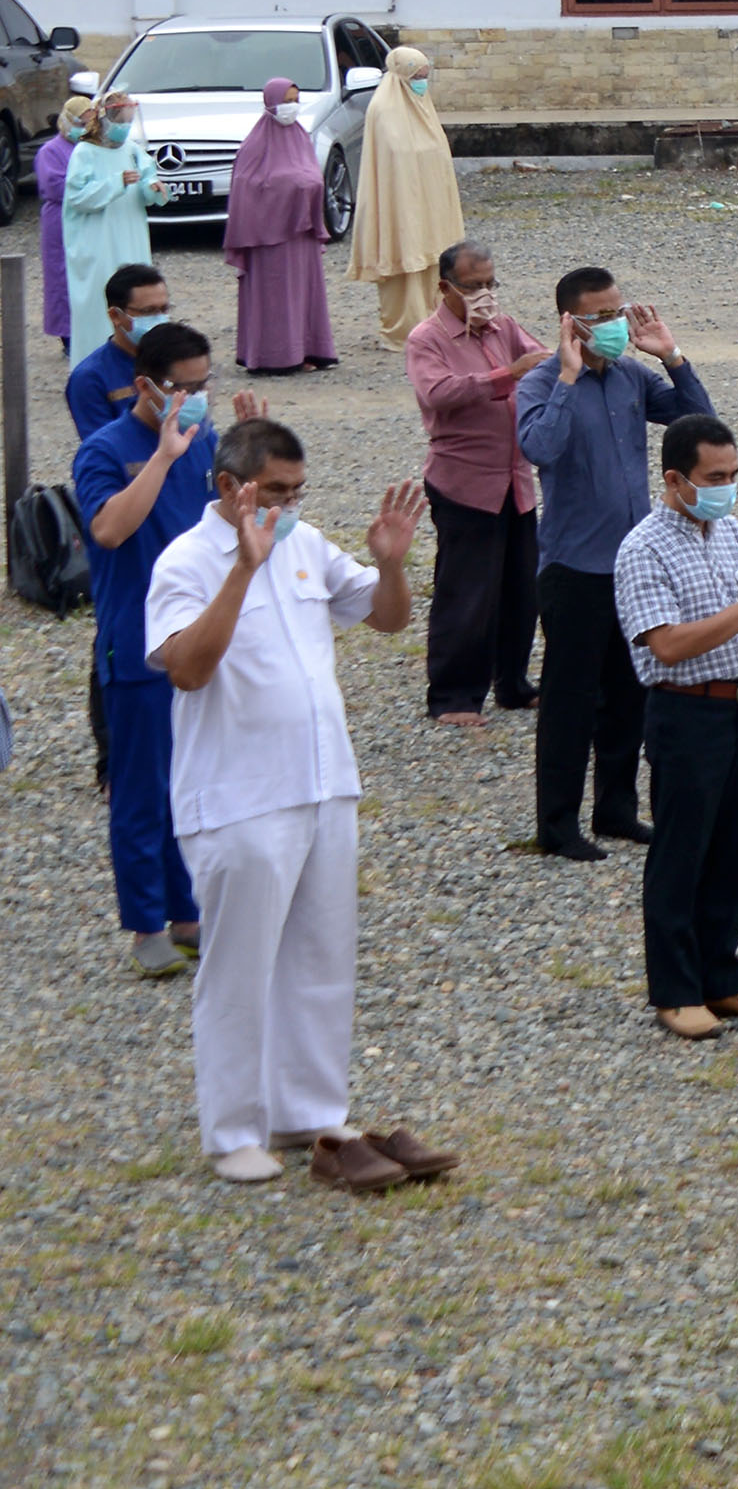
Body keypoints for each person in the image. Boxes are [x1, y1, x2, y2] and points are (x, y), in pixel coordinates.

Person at [147, 417, 444, 1187]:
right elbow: (185, 668)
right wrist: (243, 571)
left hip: (322, 783)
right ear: (228, 488)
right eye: (273, 492)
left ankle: (309, 1112)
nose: (287, 506)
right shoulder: (186, 561)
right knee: (240, 968)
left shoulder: (306, 546)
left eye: (296, 491)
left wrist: (392, 566)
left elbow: (385, 617)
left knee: (319, 956)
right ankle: (232, 1129)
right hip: (238, 797)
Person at [615, 416, 738, 1038]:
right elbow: (668, 645)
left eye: (733, 475)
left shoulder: (732, 533)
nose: (726, 487)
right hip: (685, 708)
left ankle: (723, 978)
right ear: (675, 479)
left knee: (735, 847)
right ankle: (675, 990)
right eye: (713, 477)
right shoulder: (642, 549)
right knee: (682, 851)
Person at [516, 267, 713, 862]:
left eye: (617, 312)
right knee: (570, 701)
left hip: (633, 568)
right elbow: (538, 449)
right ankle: (556, 823)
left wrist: (672, 356)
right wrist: (569, 380)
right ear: (570, 322)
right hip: (574, 569)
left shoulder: (631, 375)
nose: (613, 325)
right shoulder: (543, 383)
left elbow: (698, 426)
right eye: (599, 316)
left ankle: (616, 809)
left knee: (629, 696)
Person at [78, 319, 234, 976]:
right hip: (135, 647)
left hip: (195, 641)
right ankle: (146, 926)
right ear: (146, 385)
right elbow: (109, 530)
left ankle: (190, 911)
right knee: (143, 791)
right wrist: (164, 456)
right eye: (183, 387)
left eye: (205, 385)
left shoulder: (206, 441)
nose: (196, 398)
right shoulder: (106, 450)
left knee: (197, 782)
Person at [409, 242, 547, 723]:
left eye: (491, 283)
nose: (484, 294)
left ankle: (511, 682)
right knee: (466, 592)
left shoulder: (503, 327)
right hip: (463, 482)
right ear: (445, 287)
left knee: (520, 588)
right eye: (473, 286)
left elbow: (544, 359)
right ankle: (452, 696)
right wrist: (506, 376)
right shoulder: (426, 338)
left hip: (516, 481)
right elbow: (439, 392)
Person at [347, 46, 464, 344]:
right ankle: (406, 331)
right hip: (399, 205)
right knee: (406, 266)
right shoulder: (383, 110)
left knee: (435, 265)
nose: (422, 82)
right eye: (416, 76)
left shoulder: (423, 105)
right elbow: (390, 162)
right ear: (400, 77)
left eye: (425, 76)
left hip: (430, 205)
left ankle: (438, 323)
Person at [223, 79, 340, 374]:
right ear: (270, 102)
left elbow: (309, 172)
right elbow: (245, 187)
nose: (291, 107)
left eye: (295, 99)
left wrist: (306, 186)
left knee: (304, 293)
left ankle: (309, 349)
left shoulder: (299, 136)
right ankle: (274, 356)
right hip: (269, 238)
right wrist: (290, 186)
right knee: (275, 295)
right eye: (286, 100)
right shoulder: (255, 144)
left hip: (300, 233)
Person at [62, 90, 159, 360]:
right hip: (97, 242)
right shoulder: (84, 152)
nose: (125, 126)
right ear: (105, 118)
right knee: (100, 299)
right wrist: (115, 183)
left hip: (130, 235)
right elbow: (76, 197)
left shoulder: (132, 150)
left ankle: (137, 359)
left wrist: (154, 188)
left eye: (130, 120)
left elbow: (148, 180)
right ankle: (94, 360)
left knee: (135, 294)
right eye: (121, 120)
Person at [69, 263, 174, 440]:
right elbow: (103, 449)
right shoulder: (90, 378)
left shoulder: (179, 362)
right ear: (115, 316)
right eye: (148, 311)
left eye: (164, 309)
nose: (159, 318)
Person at [34, 119, 73, 347]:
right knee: (60, 276)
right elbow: (54, 186)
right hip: (59, 218)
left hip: (82, 217)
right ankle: (66, 335)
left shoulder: (86, 148)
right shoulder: (50, 151)